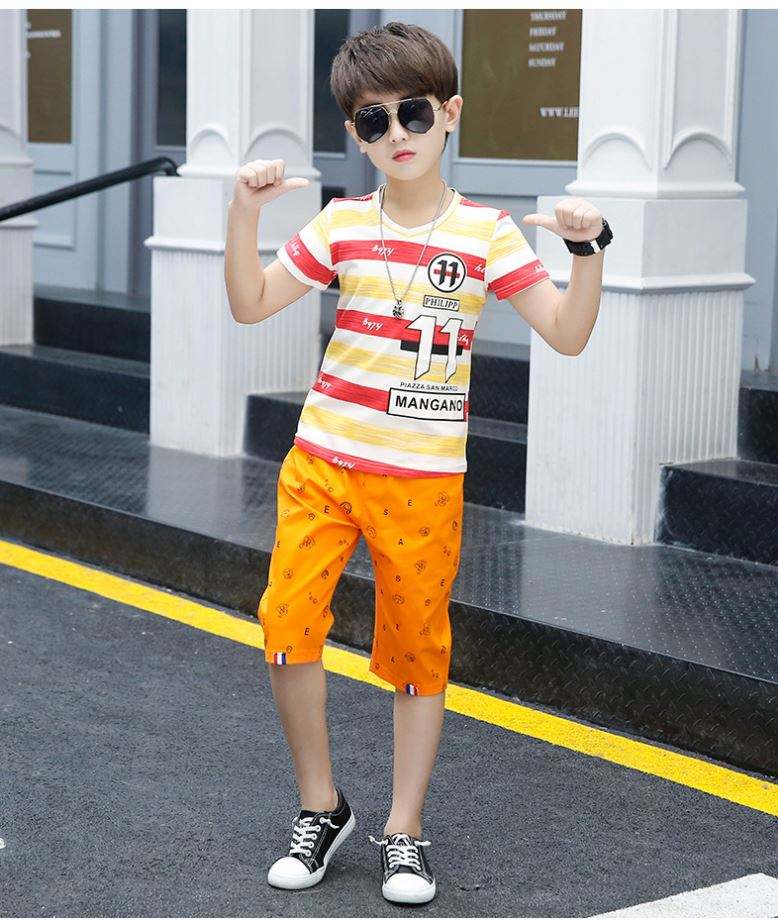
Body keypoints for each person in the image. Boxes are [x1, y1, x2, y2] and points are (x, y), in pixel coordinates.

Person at [223, 20, 610, 906]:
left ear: (450, 114)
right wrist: (244, 213)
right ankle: (322, 807)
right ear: (355, 136)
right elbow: (250, 304)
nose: (396, 133)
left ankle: (404, 829)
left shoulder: (487, 233)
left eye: (413, 112)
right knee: (286, 627)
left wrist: (585, 251)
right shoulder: (340, 224)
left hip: (423, 480)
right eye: (373, 121)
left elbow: (567, 333)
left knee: (415, 652)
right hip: (322, 463)